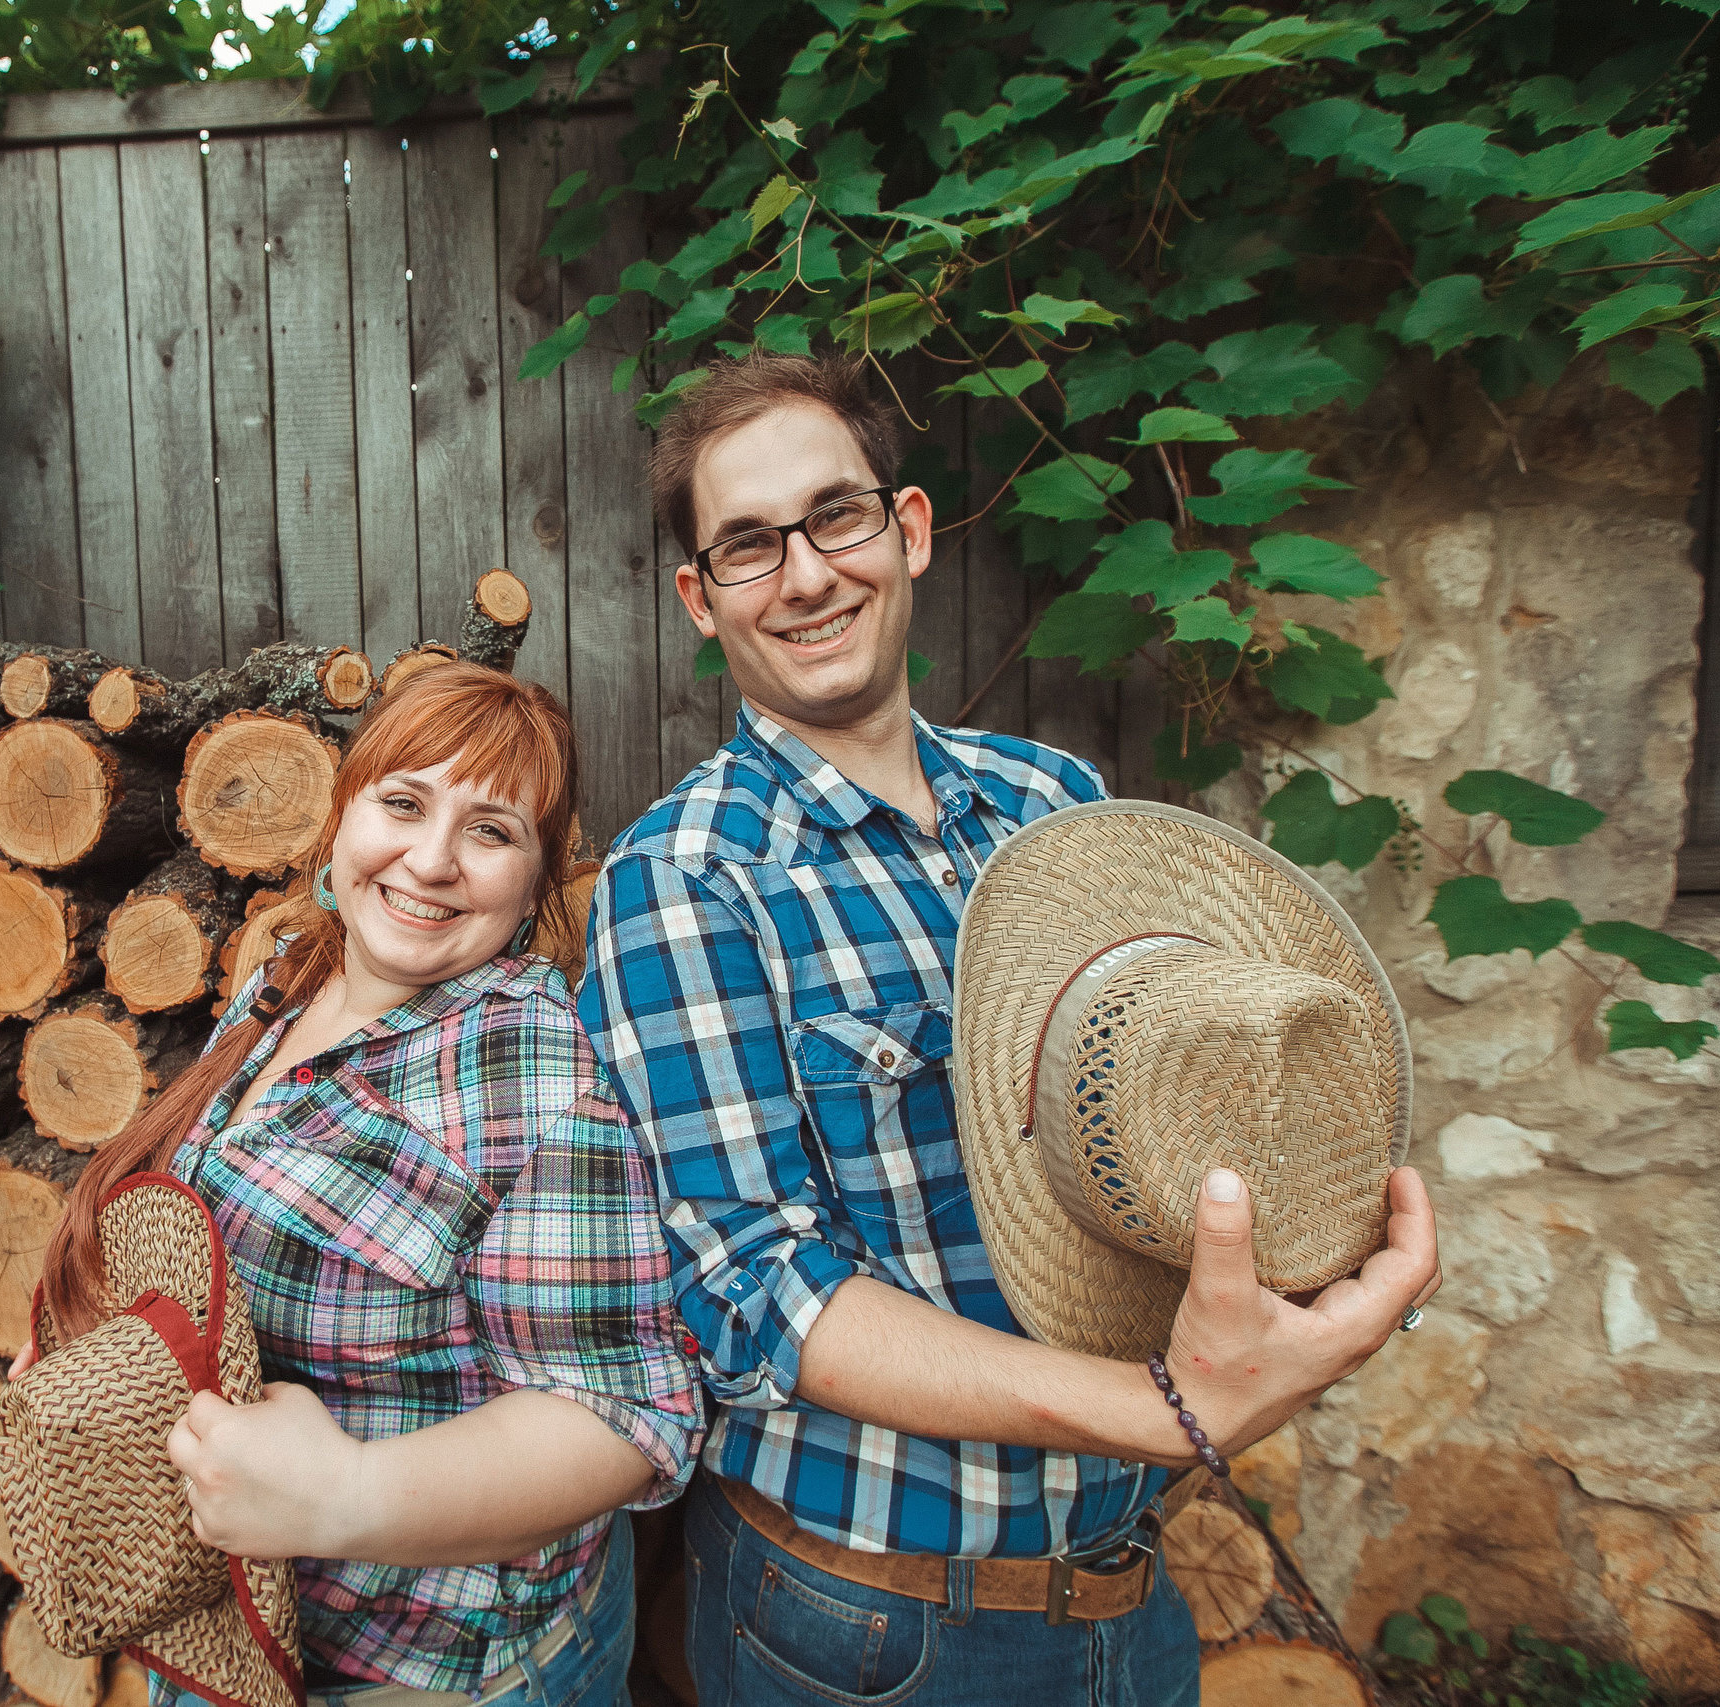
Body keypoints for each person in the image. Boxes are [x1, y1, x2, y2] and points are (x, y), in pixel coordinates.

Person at [577, 351, 1444, 1706]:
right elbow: (748, 1285)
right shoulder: (689, 873)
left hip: (1128, 1581)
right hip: (870, 1620)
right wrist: (1169, 1410)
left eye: (837, 516)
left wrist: (1309, 1260)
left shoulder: (1057, 803)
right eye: (748, 545)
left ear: (908, 527)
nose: (805, 574)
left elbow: (1161, 1141)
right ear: (701, 597)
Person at [38, 661, 705, 1707]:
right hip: (242, 1621)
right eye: (401, 803)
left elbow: (624, 1419)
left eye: (492, 832)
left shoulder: (527, 1076)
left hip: (426, 1668)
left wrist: (350, 1495)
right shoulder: (282, 984)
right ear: (342, 816)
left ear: (534, 884)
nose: (430, 860)